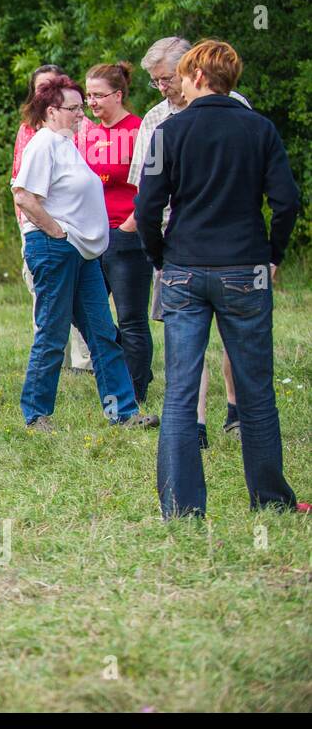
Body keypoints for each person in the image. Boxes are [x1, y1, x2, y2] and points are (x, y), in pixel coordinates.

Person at [134, 39, 307, 518]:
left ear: (198, 77)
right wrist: (273, 254)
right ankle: (270, 500)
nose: (179, 84)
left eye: (183, 76)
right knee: (256, 389)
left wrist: (159, 257)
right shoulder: (259, 129)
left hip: (184, 268)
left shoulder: (170, 131)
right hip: (245, 268)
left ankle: (181, 508)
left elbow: (147, 207)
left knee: (180, 393)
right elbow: (288, 201)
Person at [11, 76, 159, 432]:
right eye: (74, 108)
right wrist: (56, 231)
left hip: (83, 250)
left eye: (82, 107)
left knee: (101, 331)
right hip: (56, 247)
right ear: (51, 111)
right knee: (53, 330)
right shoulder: (43, 143)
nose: (82, 113)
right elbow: (24, 195)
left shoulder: (69, 144)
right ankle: (36, 414)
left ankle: (122, 412)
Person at [129, 36, 248, 449]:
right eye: (155, 81)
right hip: (174, 243)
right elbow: (144, 190)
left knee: (234, 332)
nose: (161, 87)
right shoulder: (154, 121)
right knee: (183, 338)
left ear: (190, 72)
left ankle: (235, 409)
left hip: (229, 245)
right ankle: (194, 422)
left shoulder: (238, 108)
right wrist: (155, 250)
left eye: (165, 78)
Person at [79, 61, 151, 403]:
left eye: (98, 95)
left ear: (118, 94)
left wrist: (131, 224)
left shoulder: (140, 130)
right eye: (88, 95)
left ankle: (136, 389)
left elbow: (154, 184)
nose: (91, 102)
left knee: (131, 316)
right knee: (83, 312)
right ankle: (131, 362)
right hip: (90, 236)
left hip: (126, 234)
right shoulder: (87, 134)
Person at [13, 65, 92, 373]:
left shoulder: (78, 127)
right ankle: (49, 360)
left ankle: (84, 361)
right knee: (45, 295)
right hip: (40, 225)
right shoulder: (30, 133)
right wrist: (35, 225)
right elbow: (21, 185)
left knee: (82, 296)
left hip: (75, 225)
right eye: (40, 88)